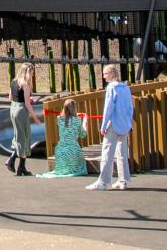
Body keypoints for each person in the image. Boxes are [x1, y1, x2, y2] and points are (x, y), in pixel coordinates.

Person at [88, 63, 133, 191]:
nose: (104, 76)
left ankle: (103, 181)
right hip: (124, 123)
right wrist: (129, 123)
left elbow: (108, 108)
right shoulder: (125, 87)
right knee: (122, 153)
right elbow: (130, 107)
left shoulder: (111, 88)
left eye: (105, 73)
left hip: (113, 123)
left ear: (112, 73)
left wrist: (103, 125)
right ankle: (123, 180)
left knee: (107, 152)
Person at [6, 63, 37, 176]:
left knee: (18, 136)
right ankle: (11, 160)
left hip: (13, 108)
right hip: (21, 111)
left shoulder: (14, 81)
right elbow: (28, 105)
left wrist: (27, 98)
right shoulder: (25, 84)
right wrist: (35, 118)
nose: (33, 75)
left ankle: (21, 167)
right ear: (28, 72)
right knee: (24, 137)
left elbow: (10, 98)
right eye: (32, 72)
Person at [49, 98, 89, 178]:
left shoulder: (59, 119)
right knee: (81, 165)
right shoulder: (77, 121)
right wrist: (85, 122)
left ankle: (63, 167)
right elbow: (83, 135)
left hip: (60, 150)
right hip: (73, 150)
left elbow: (64, 116)